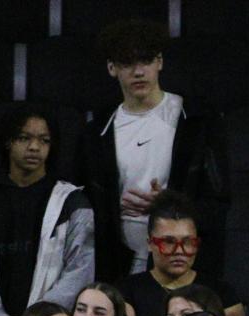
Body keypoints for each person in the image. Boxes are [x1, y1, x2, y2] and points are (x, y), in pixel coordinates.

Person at [78, 17, 228, 284]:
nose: (138, 72)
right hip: (118, 262)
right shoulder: (96, 133)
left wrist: (170, 203)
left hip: (183, 263)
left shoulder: (197, 120)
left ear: (159, 62)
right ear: (112, 68)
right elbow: (86, 201)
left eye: (146, 61)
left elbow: (218, 199)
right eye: (127, 64)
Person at [0, 104, 94, 316]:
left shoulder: (72, 202)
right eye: (24, 138)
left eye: (44, 140)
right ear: (8, 142)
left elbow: (79, 273)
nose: (34, 147)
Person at [119, 195, 249, 316]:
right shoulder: (128, 290)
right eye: (169, 242)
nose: (179, 251)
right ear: (150, 243)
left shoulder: (220, 291)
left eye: (188, 242)